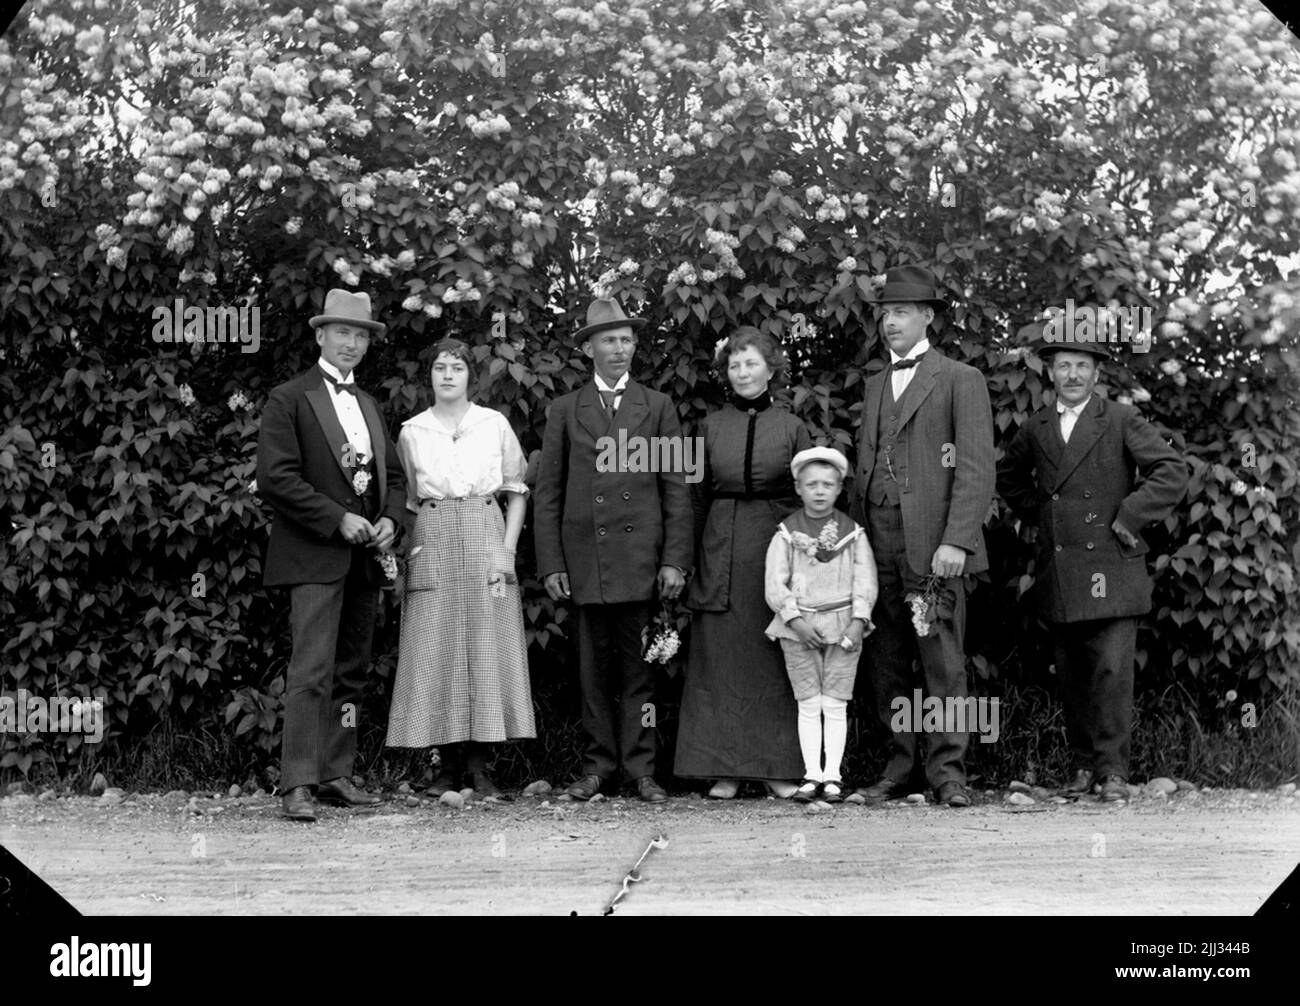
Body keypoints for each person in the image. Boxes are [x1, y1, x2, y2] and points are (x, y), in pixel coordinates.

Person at [996, 333, 1187, 801]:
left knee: (1111, 673)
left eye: (1082, 366)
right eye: (1064, 366)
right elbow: (1009, 479)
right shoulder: (1037, 426)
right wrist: (1046, 518)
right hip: (1063, 570)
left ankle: (1113, 772)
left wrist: (1129, 516)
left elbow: (1171, 471)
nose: (1073, 375)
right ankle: (1083, 769)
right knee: (1074, 674)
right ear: (1050, 373)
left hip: (1112, 564)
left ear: (1096, 374)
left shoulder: (1119, 418)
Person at [533, 297, 694, 803]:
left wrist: (674, 560)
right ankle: (597, 767)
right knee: (593, 676)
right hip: (586, 563)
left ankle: (642, 769)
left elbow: (676, 488)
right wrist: (552, 563)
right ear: (589, 349)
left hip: (639, 562)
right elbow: (549, 493)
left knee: (641, 674)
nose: (619, 348)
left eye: (626, 339)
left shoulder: (658, 406)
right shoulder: (566, 410)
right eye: (609, 340)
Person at [256, 289, 407, 822]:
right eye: (342, 332)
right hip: (314, 555)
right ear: (320, 335)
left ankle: (335, 772)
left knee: (351, 672)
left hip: (364, 560)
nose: (352, 343)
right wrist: (335, 518)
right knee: (311, 670)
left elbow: (395, 479)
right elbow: (275, 478)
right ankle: (297, 782)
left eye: (361, 335)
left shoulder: (369, 405)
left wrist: (391, 521)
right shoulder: (288, 398)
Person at [849, 265, 995, 808]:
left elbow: (976, 467)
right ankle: (900, 765)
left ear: (927, 316)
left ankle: (948, 771)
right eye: (885, 313)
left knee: (941, 658)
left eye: (902, 312)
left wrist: (957, 539)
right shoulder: (874, 385)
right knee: (885, 658)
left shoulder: (960, 378)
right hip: (877, 540)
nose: (890, 322)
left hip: (934, 543)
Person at [384, 338, 535, 797]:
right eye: (439, 368)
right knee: (436, 646)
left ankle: (481, 768)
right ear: (428, 376)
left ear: (471, 375)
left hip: (485, 529)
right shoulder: (412, 431)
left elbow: (516, 491)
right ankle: (446, 768)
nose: (448, 375)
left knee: (487, 645)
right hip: (432, 535)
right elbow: (406, 499)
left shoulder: (493, 424)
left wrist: (506, 552)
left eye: (457, 367)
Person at [674, 327, 810, 799]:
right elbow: (692, 497)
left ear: (771, 369)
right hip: (720, 545)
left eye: (751, 363)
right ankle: (724, 769)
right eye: (734, 365)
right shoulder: (706, 427)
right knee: (721, 655)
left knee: (774, 653)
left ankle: (777, 769)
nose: (742, 372)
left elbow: (809, 497)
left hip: (775, 545)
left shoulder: (792, 427)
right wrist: (683, 560)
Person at [764, 447, 878, 803]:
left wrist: (858, 620)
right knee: (809, 702)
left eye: (827, 485)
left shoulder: (852, 534)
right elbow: (774, 582)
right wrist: (794, 620)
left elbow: (865, 580)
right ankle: (812, 773)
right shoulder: (787, 534)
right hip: (799, 627)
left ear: (840, 489)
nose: (819, 491)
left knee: (835, 702)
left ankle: (833, 777)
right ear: (798, 488)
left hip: (843, 624)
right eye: (811, 484)